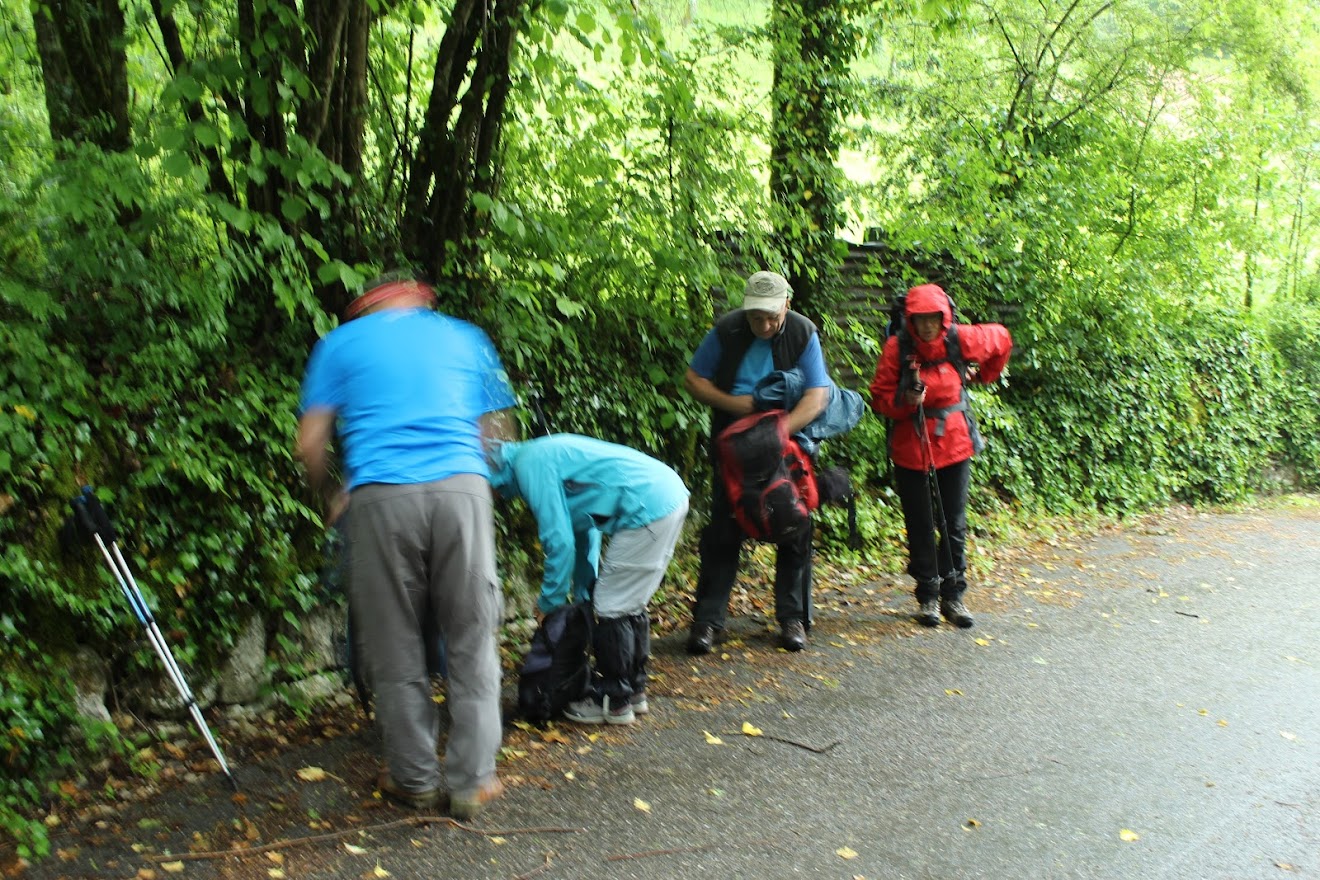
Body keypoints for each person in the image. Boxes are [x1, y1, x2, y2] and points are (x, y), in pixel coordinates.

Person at [295, 276, 516, 820]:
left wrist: (332, 493)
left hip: (379, 498)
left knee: (394, 645)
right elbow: (497, 430)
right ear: (419, 298)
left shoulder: (339, 344)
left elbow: (309, 443)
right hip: (462, 491)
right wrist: (471, 478)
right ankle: (472, 782)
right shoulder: (465, 337)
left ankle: (414, 780)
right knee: (471, 637)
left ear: (363, 307)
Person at [488, 434, 689, 725]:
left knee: (612, 605)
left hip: (647, 504)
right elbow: (585, 525)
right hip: (667, 493)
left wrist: (551, 603)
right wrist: (584, 591)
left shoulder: (529, 464)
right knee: (628, 603)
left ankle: (613, 701)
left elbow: (559, 541)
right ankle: (633, 691)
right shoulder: (539, 455)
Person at [683, 270, 830, 654]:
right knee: (723, 531)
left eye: (771, 317)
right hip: (733, 441)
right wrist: (738, 407)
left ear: (787, 305)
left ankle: (792, 618)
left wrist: (776, 435)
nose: (763, 325)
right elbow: (694, 379)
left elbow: (817, 395)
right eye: (755, 317)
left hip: (787, 440)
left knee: (794, 525)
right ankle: (707, 622)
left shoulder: (802, 332)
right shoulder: (729, 330)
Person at [868, 283, 1012, 629]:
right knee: (919, 523)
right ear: (910, 320)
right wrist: (904, 401)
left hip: (955, 443)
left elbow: (1002, 339)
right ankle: (928, 595)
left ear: (944, 318)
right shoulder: (896, 348)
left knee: (953, 521)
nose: (928, 326)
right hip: (911, 445)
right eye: (921, 319)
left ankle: (954, 594)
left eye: (934, 318)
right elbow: (879, 398)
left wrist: (984, 376)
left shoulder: (960, 339)